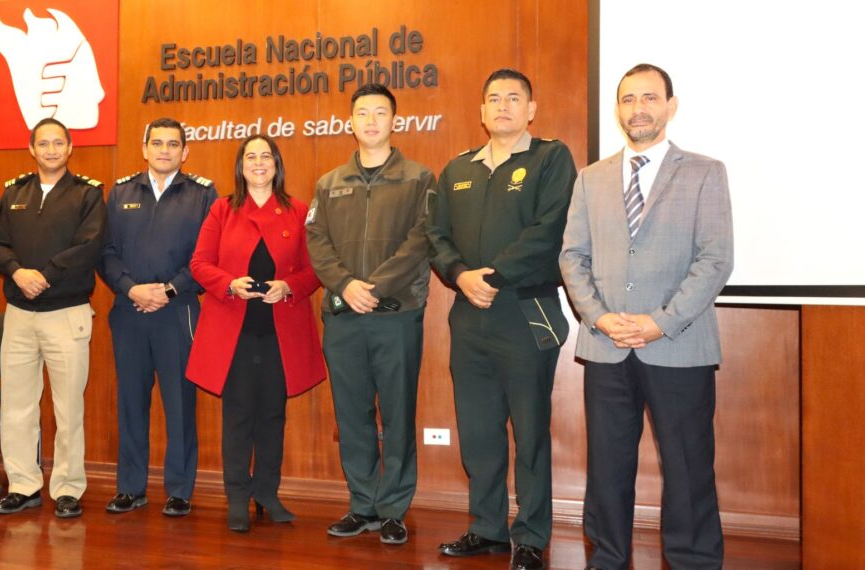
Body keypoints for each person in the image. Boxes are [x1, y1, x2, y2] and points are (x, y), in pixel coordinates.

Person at [559, 63, 733, 570]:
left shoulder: (705, 172)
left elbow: (715, 258)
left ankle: (694, 560)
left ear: (670, 107)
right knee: (608, 466)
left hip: (679, 344)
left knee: (687, 466)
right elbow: (573, 256)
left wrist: (660, 321)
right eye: (629, 99)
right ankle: (608, 559)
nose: (638, 109)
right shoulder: (590, 178)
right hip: (606, 344)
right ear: (618, 110)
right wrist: (599, 317)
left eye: (650, 98)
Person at [427, 69, 576, 570]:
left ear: (531, 109)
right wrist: (459, 275)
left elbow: (549, 230)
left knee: (530, 431)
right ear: (482, 111)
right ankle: (486, 528)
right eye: (494, 99)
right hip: (469, 315)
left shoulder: (551, 158)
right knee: (478, 430)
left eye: (515, 98)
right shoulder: (458, 169)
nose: (504, 106)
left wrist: (491, 277)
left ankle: (531, 536)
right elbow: (437, 235)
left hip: (526, 311)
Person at [306, 83, 434, 545]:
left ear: (394, 121)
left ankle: (393, 507)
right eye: (363, 113)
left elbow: (421, 241)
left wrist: (374, 288)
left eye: (381, 112)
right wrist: (346, 285)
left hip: (396, 315)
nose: (372, 120)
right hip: (343, 316)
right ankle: (362, 504)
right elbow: (316, 242)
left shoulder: (419, 178)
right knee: (353, 414)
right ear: (351, 121)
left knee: (397, 413)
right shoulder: (329, 182)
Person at [186, 135, 326, 533]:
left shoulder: (298, 211)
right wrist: (230, 283)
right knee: (238, 415)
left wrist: (289, 286)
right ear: (241, 165)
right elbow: (198, 263)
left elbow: (315, 269)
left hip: (281, 330)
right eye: (252, 156)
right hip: (234, 330)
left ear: (277, 165)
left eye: (267, 156)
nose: (259, 162)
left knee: (272, 415)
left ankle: (267, 491)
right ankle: (236, 496)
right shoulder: (222, 210)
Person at [98, 117, 218, 517]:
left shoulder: (202, 194)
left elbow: (207, 258)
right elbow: (107, 253)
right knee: (131, 401)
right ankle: (131, 487)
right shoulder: (120, 193)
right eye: (158, 143)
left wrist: (168, 289)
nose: (165, 150)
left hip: (177, 309)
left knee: (180, 403)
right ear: (144, 148)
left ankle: (179, 489)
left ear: (185, 152)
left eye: (173, 144)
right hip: (129, 309)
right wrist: (131, 288)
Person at [0, 118, 107, 519]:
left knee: (68, 407)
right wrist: (18, 272)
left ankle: (69, 488)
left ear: (70, 148)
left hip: (66, 313)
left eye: (59, 143)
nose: (52, 149)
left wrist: (46, 275)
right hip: (19, 313)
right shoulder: (13, 192)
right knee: (19, 404)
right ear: (32, 149)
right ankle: (23, 485)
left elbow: (89, 245)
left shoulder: (87, 194)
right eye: (44, 143)